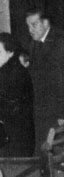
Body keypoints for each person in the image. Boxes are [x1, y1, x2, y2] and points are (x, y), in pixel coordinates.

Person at [26, 8, 64, 154]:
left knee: (56, 154)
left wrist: (62, 114)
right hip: (42, 110)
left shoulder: (59, 43)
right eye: (28, 26)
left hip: (56, 112)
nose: (30, 29)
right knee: (44, 152)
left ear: (46, 23)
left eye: (34, 25)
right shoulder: (35, 43)